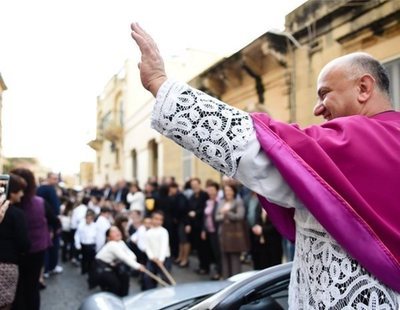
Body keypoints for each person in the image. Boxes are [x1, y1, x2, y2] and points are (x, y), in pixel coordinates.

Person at [130, 23, 400, 308]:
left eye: (324, 93)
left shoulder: (362, 140)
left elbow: (258, 151)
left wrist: (160, 83)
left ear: (363, 88)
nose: (317, 109)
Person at [10, 168, 52, 310]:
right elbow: (54, 220)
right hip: (37, 250)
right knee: (32, 287)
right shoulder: (40, 203)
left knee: (17, 288)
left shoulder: (9, 206)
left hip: (14, 253)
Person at [0, 174, 30, 310]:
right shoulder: (17, 214)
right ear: (11, 192)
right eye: (20, 190)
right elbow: (24, 243)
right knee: (5, 304)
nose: (22, 194)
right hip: (7, 264)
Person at [93, 226, 145, 296]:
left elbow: (131, 255)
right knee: (115, 284)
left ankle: (123, 298)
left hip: (112, 265)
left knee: (124, 278)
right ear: (108, 237)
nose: (117, 232)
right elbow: (124, 257)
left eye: (118, 230)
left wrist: (136, 263)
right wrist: (138, 266)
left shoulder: (121, 242)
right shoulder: (112, 244)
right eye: (113, 232)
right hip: (101, 267)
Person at [215, 183, 249, 279]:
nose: (228, 193)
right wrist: (225, 215)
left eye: (230, 190)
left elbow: (240, 216)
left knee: (235, 258)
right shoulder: (221, 202)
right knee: (224, 257)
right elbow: (216, 217)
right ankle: (226, 279)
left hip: (234, 234)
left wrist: (227, 213)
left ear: (234, 191)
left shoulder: (238, 202)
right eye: (226, 191)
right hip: (223, 233)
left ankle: (236, 279)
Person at [36, 172, 63, 276]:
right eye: (54, 179)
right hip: (50, 223)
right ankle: (50, 268)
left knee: (45, 246)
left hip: (43, 222)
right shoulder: (49, 189)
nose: (56, 181)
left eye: (57, 179)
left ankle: (45, 269)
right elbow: (55, 210)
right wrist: (55, 225)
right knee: (51, 246)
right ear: (48, 178)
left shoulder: (40, 189)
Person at [143, 210, 172, 290]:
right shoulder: (148, 232)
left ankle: (169, 292)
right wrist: (152, 257)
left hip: (164, 259)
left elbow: (164, 246)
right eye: (156, 219)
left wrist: (161, 259)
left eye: (160, 219)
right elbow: (147, 247)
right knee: (149, 278)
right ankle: (151, 291)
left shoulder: (163, 231)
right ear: (151, 219)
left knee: (165, 278)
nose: (158, 221)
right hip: (153, 259)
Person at [74, 209, 97, 275]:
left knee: (91, 260)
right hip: (84, 245)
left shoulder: (95, 226)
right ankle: (83, 270)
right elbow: (77, 235)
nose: (89, 220)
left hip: (91, 245)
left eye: (90, 219)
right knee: (84, 259)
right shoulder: (81, 225)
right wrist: (77, 244)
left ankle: (89, 271)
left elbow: (97, 237)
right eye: (87, 218)